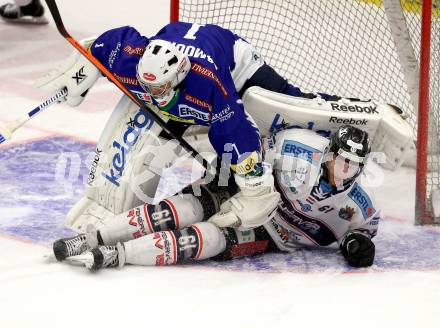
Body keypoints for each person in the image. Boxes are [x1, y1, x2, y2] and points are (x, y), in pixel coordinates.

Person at [36, 22, 337, 229]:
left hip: (235, 60)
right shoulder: (132, 60)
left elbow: (237, 131)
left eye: (162, 89)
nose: (155, 96)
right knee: (160, 125)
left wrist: (255, 187)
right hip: (181, 48)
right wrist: (81, 71)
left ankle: (338, 115)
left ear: (178, 79)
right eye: (148, 88)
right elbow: (102, 45)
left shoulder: (208, 85)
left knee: (285, 104)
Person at [52, 124, 380, 269]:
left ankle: (118, 254)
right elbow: (252, 149)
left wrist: (358, 246)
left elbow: (361, 233)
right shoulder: (296, 146)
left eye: (354, 166)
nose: (345, 170)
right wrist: (227, 171)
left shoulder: (358, 208)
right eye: (342, 160)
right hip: (243, 188)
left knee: (204, 240)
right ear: (328, 154)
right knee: (176, 211)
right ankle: (93, 237)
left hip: (272, 232)